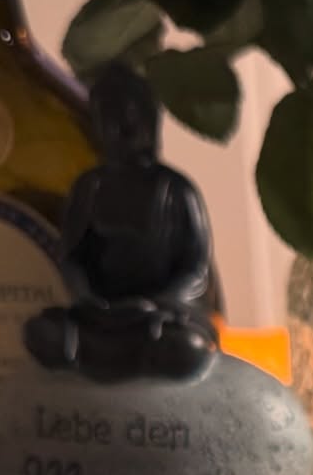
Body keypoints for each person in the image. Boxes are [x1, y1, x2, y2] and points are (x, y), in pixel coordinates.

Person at [24, 63, 217, 383]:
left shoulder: (174, 190)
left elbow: (195, 267)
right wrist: (89, 298)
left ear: (148, 121)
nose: (119, 131)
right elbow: (72, 258)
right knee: (44, 333)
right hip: (100, 318)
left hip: (158, 318)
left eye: (127, 120)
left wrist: (157, 303)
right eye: (107, 121)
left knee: (184, 348)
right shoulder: (90, 188)